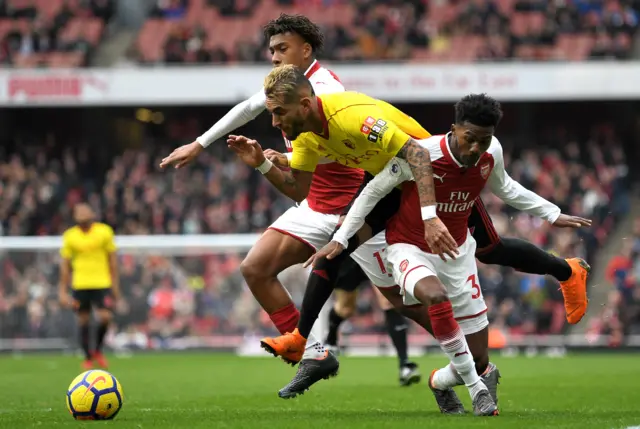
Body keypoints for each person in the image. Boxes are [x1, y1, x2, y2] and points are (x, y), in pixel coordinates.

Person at [233, 66, 590, 397]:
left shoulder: (353, 117)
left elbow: (419, 154)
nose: (276, 122)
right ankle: (302, 341)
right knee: (338, 246)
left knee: (489, 250)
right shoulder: (309, 137)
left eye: (279, 112)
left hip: (439, 172)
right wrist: (265, 163)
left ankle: (566, 270)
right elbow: (299, 191)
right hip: (392, 182)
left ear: (305, 103)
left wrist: (432, 216)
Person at [159, 14, 422, 384]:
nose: (274, 56)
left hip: (352, 209)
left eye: (282, 49)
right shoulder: (286, 87)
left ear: (305, 50)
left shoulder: (325, 88)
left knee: (404, 303)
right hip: (314, 202)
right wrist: (199, 144)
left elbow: (342, 144)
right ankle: (313, 353)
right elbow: (251, 108)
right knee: (255, 267)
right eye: (271, 50)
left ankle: (467, 357)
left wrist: (288, 160)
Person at [308, 94, 592, 416]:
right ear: (453, 129)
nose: (475, 149)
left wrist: (552, 214)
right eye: (469, 139)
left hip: (458, 255)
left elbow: (507, 187)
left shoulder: (491, 152)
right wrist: (342, 239)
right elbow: (373, 192)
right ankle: (477, 390)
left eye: (483, 141)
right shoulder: (422, 154)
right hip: (408, 248)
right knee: (435, 296)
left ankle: (440, 381)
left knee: (479, 358)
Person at [58, 203, 120, 370]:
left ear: (92, 213)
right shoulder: (70, 236)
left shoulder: (104, 231)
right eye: (79, 211)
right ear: (74, 216)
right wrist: (62, 291)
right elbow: (65, 266)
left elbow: (112, 261)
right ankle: (87, 356)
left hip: (102, 283)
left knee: (105, 317)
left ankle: (98, 350)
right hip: (80, 284)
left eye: (85, 210)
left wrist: (115, 288)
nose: (83, 214)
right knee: (83, 320)